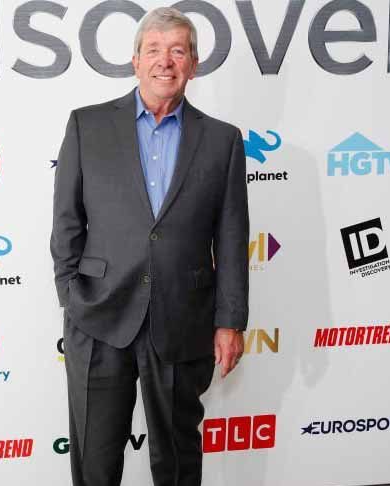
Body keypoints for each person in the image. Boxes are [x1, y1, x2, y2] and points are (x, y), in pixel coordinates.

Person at [50, 7, 249, 486]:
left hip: (182, 318)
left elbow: (231, 235)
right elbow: (66, 222)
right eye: (154, 49)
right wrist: (71, 296)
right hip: (99, 316)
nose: (166, 61)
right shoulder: (87, 126)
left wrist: (230, 320)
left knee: (178, 461)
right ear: (135, 60)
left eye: (178, 50)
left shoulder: (223, 141)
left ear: (193, 65)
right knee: (95, 462)